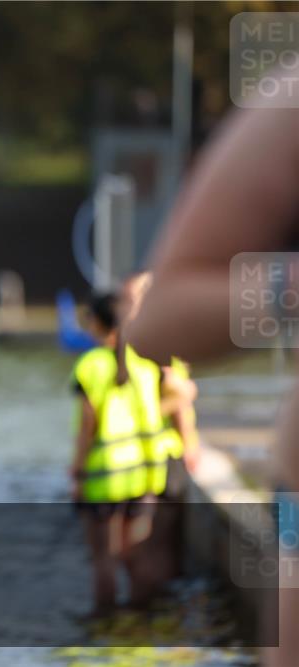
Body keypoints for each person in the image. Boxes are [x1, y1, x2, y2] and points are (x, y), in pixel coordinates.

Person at [125, 104, 299, 666]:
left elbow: (177, 406)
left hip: (144, 477)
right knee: (129, 568)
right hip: (131, 483)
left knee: (135, 570)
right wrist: (289, 283)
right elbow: (163, 316)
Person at [70, 292, 192, 616]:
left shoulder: (91, 365)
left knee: (103, 559)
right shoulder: (145, 363)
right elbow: (179, 396)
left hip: (102, 477)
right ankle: (142, 621)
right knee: (135, 554)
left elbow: (87, 424)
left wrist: (77, 472)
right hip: (141, 475)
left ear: (96, 323)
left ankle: (106, 624)